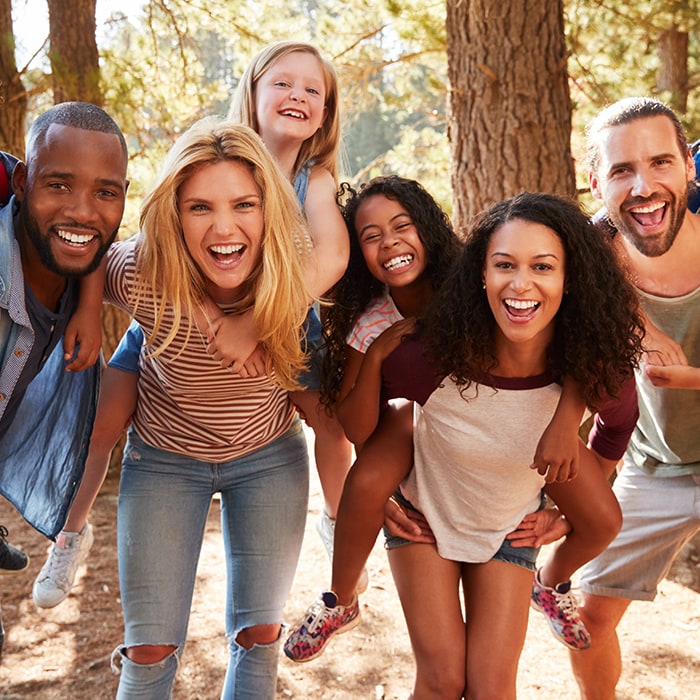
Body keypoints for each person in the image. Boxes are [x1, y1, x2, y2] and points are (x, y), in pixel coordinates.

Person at [32, 39, 353, 608]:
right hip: (172, 321)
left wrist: (257, 321)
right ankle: (70, 532)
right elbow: (108, 254)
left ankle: (338, 525)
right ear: (250, 93)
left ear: (325, 114)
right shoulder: (211, 154)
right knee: (106, 421)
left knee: (328, 422)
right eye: (282, 83)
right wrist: (86, 306)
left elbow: (328, 256)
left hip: (283, 323)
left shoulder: (314, 178)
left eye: (313, 90)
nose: (297, 95)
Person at [284, 184, 615, 664]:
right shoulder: (372, 320)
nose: (391, 242)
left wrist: (567, 419)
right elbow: (357, 428)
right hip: (415, 417)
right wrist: (377, 354)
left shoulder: (475, 284)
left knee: (602, 518)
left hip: (494, 423)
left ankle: (552, 583)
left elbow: (570, 344)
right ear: (358, 254)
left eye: (402, 226)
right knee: (374, 469)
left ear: (429, 227)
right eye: (371, 236)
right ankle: (340, 597)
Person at [105, 118, 341, 698]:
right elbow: (81, 262)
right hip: (163, 460)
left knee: (259, 641)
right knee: (149, 649)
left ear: (269, 211)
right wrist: (88, 311)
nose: (225, 227)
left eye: (245, 204)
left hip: (266, 459)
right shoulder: (142, 272)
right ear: (173, 215)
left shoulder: (291, 278)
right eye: (200, 208)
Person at [379, 192, 641, 698]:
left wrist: (569, 510)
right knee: (441, 681)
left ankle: (552, 584)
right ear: (481, 273)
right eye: (504, 265)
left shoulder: (593, 363)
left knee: (492, 688)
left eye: (542, 266)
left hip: (506, 528)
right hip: (424, 518)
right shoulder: (433, 354)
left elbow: (617, 424)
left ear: (569, 280)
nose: (521, 284)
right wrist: (380, 491)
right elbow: (370, 416)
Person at [566, 97, 700, 700]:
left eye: (661, 162)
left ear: (689, 168)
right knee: (587, 622)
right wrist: (637, 325)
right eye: (622, 170)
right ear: (597, 182)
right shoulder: (588, 262)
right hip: (655, 467)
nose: (643, 186)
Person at [0, 102, 128, 658]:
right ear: (23, 182)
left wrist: (93, 298)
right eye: (58, 184)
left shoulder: (76, 271)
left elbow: (89, 229)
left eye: (106, 192)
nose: (82, 211)